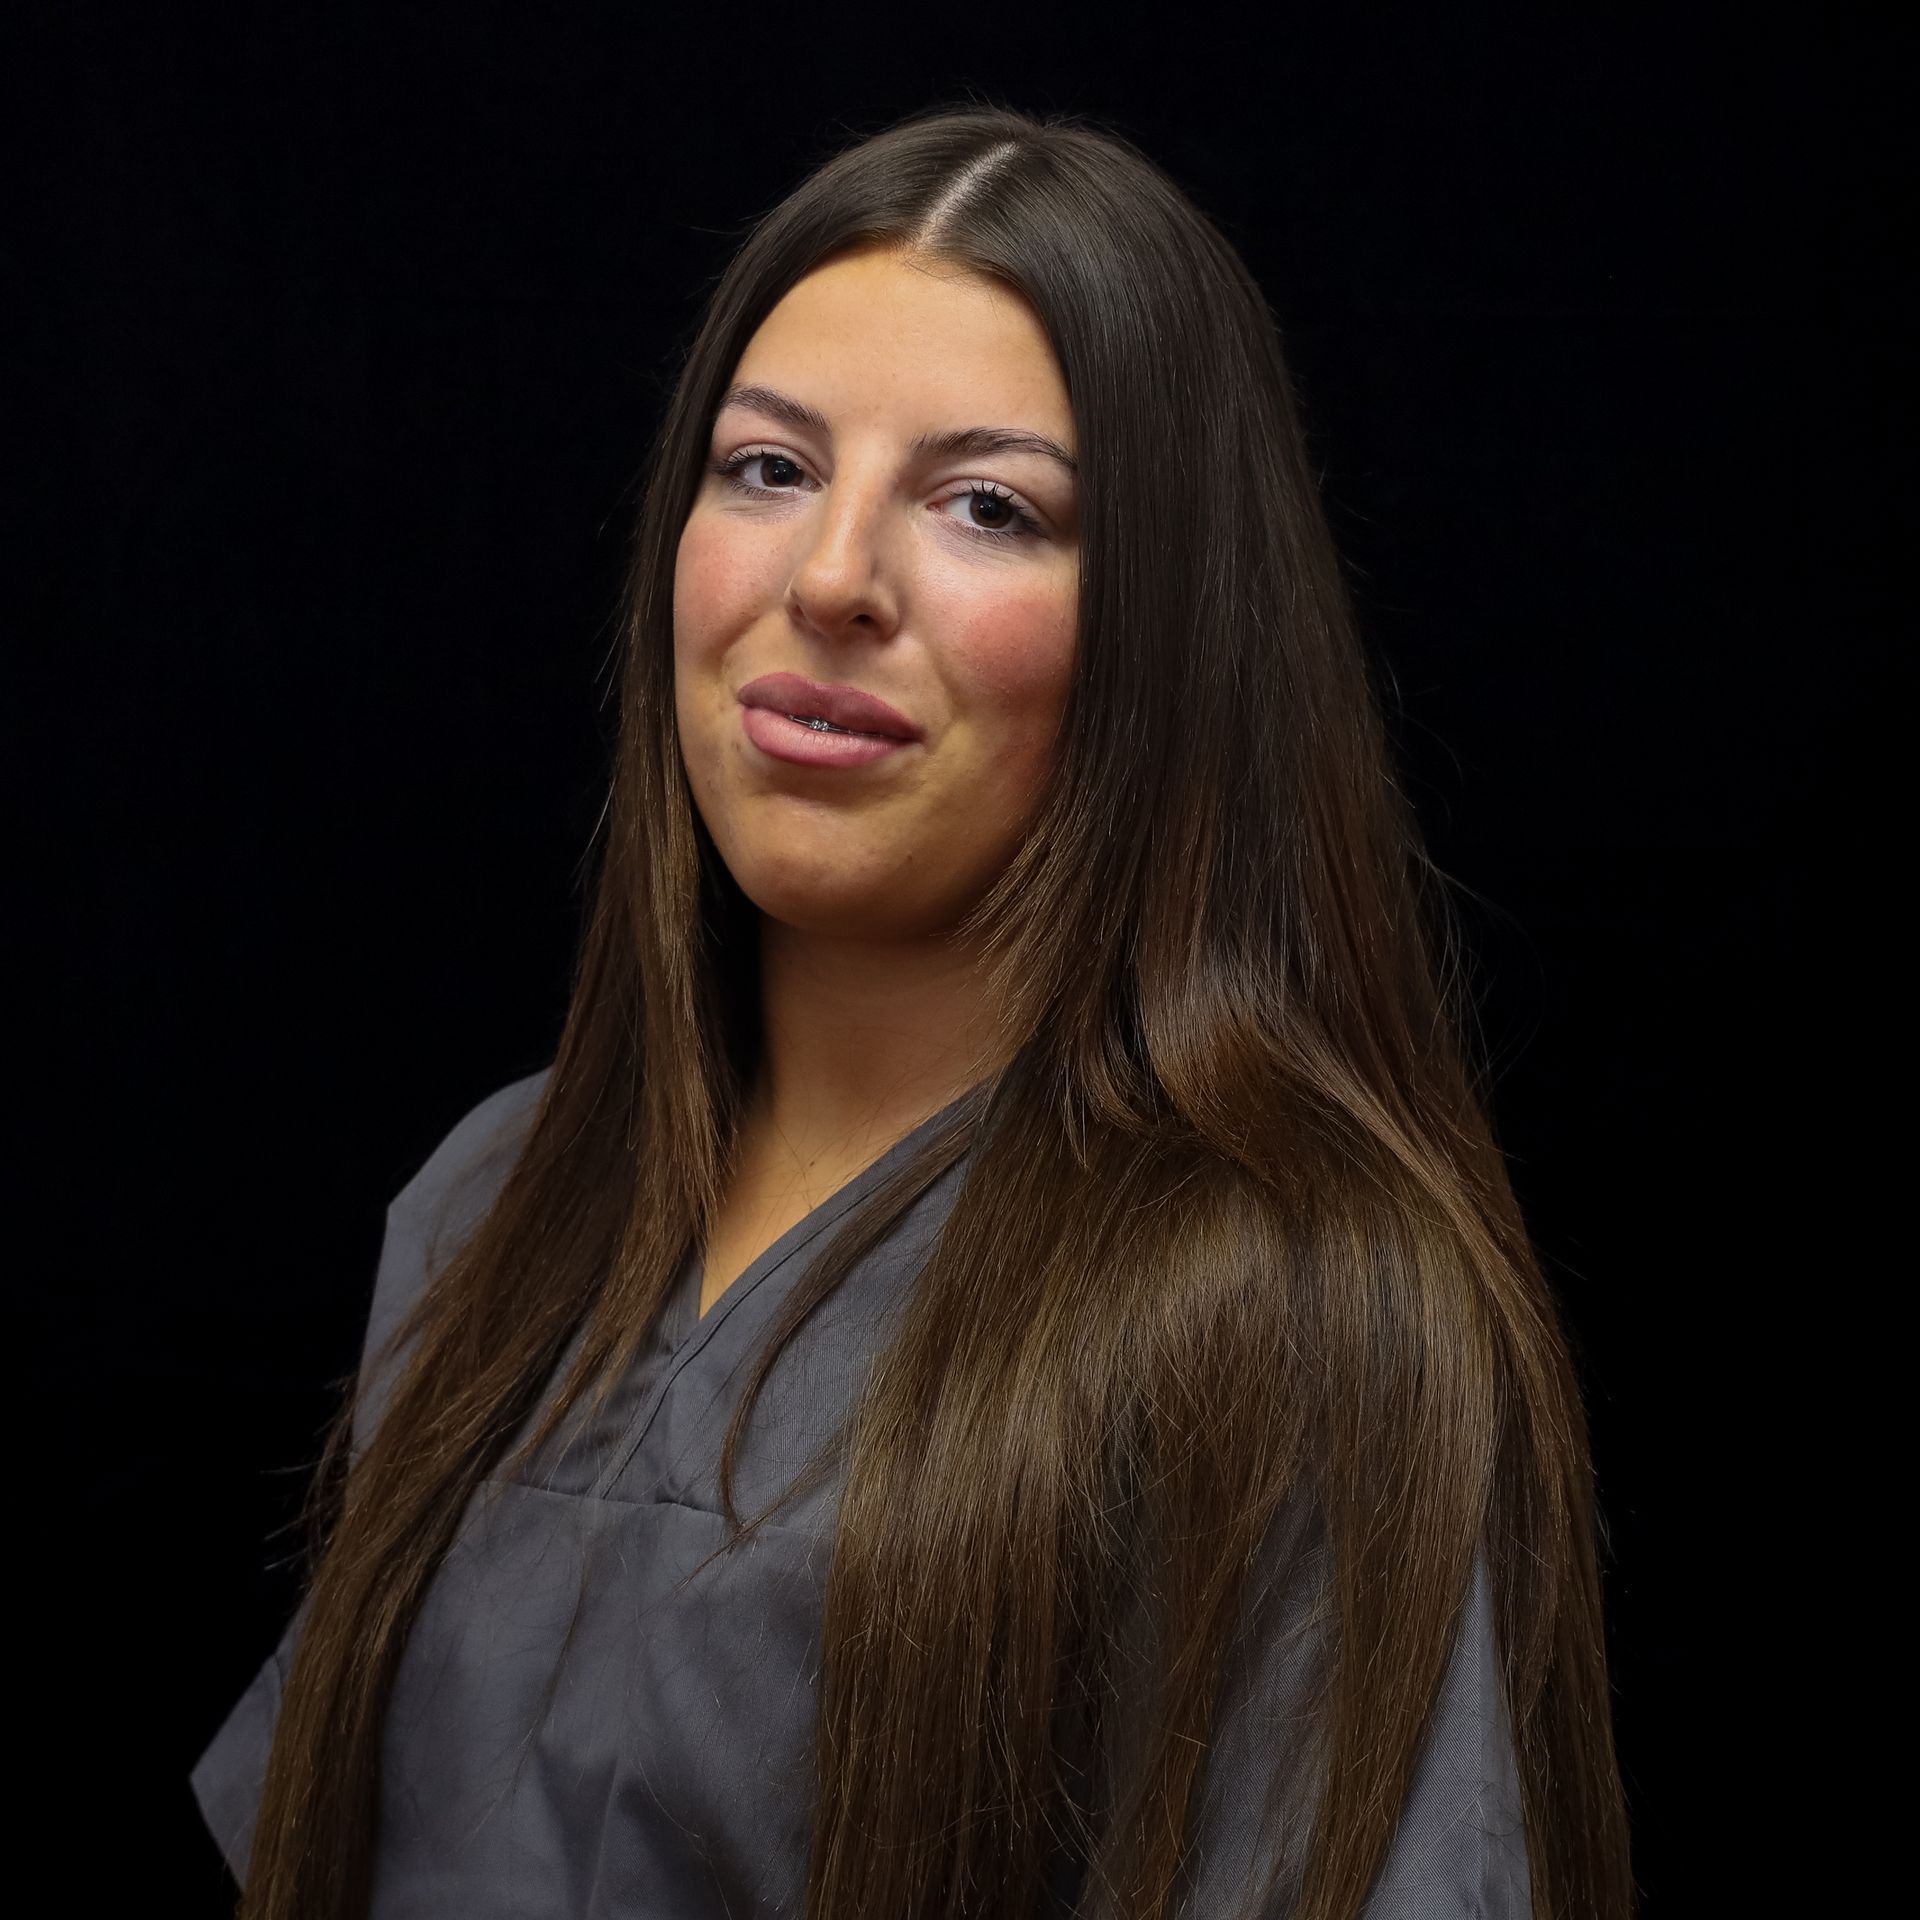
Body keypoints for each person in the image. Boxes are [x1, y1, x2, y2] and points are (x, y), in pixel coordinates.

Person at [191, 103, 1635, 1920]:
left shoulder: (1280, 1312)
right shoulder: (493, 1205)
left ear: (1169, 634)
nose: (831, 581)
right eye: (770, 468)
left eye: (987, 507)